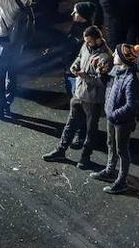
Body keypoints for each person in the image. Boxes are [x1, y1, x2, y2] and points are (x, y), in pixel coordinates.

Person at [43, 26, 113, 168]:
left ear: (98, 40)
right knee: (70, 124)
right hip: (79, 94)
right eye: (86, 41)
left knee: (90, 130)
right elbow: (80, 57)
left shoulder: (105, 57)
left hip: (93, 100)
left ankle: (85, 158)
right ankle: (60, 150)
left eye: (90, 41)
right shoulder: (86, 46)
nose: (87, 44)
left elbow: (101, 82)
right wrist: (74, 66)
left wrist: (84, 76)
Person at [92, 43, 139, 194]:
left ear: (123, 59)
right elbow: (109, 86)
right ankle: (109, 171)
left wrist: (114, 115)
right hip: (111, 116)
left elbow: (131, 106)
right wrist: (101, 74)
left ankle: (122, 181)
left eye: (116, 54)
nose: (113, 55)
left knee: (122, 151)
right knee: (111, 145)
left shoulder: (132, 79)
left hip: (121, 121)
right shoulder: (117, 70)